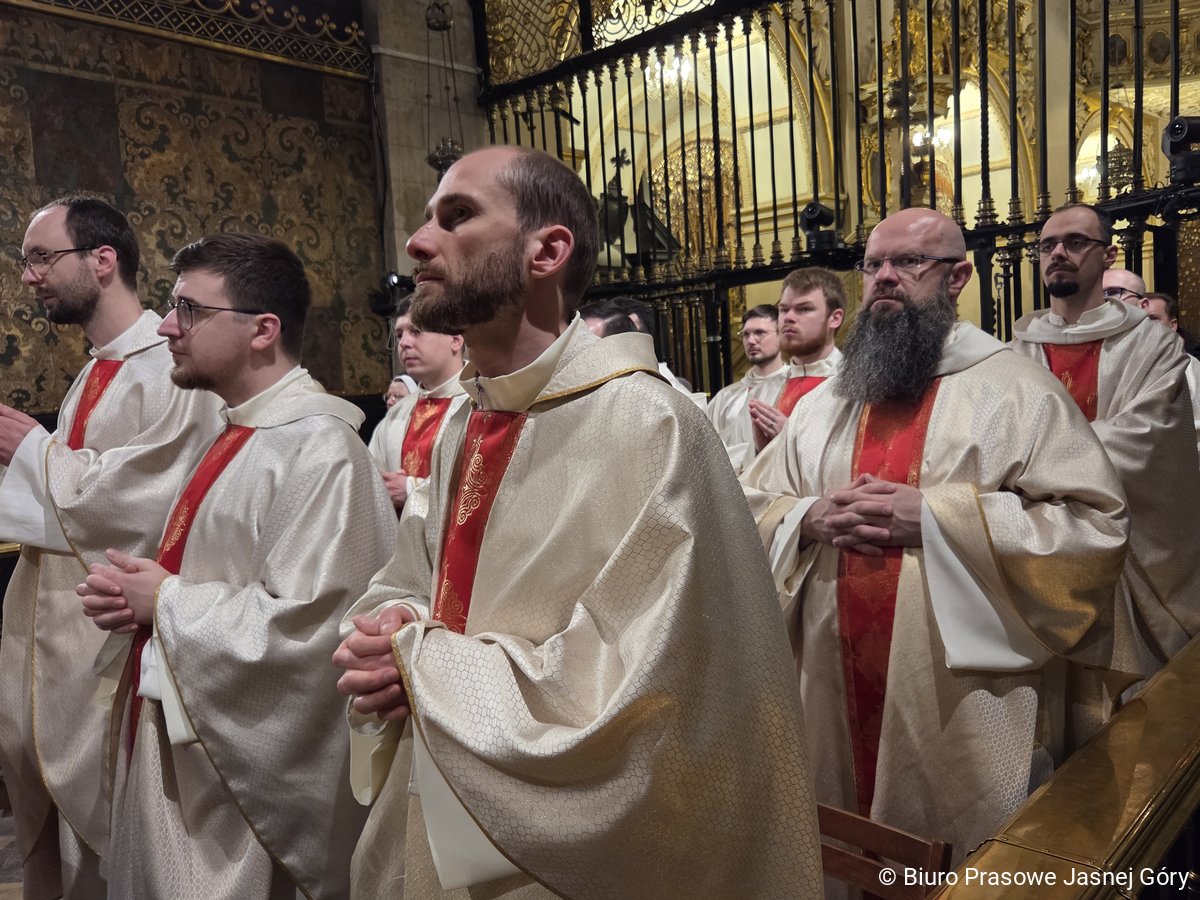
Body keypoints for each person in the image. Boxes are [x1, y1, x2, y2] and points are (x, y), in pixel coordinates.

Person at [334, 145, 821, 899]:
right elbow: (413, 578)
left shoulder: (650, 424)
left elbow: (649, 683)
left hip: (566, 850)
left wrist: (422, 668)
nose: (418, 241)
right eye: (428, 217)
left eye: (457, 216)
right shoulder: (468, 419)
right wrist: (392, 622)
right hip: (440, 784)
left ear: (547, 251)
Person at [741, 206, 1134, 866]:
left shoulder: (1018, 392)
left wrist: (939, 518)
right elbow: (747, 505)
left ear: (958, 278)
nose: (884, 277)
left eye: (909, 262)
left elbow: (1094, 527)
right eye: (873, 264)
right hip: (827, 695)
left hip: (960, 699)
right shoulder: (823, 406)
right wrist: (806, 519)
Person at [76, 232, 397, 899]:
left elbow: (311, 630)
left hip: (241, 800)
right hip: (186, 745)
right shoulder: (238, 431)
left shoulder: (322, 452)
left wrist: (166, 603)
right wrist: (142, 598)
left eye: (190, 310)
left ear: (263, 330)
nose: (166, 327)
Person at [0, 196, 222, 898]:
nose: (28, 276)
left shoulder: (170, 370)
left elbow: (149, 501)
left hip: (109, 634)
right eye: (25, 261)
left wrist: (34, 450)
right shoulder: (96, 370)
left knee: (107, 828)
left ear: (102, 260)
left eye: (42, 258)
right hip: (54, 634)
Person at [1011, 204, 1200, 675]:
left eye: (1075, 242)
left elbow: (1149, 437)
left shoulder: (1152, 344)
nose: (1058, 253)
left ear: (1108, 254)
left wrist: (1037, 460)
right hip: (1039, 544)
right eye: (1047, 245)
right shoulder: (1016, 350)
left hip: (1128, 543)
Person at [368, 297, 468, 511]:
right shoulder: (397, 413)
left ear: (455, 339)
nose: (403, 343)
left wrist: (411, 489)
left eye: (416, 331)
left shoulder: (480, 405)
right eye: (399, 334)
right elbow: (373, 479)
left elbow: (485, 487)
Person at [749, 267, 846, 452]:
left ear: (834, 318)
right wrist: (762, 451)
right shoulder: (763, 390)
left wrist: (791, 440)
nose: (789, 318)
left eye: (804, 309)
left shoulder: (853, 387)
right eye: (784, 309)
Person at [705, 303, 788, 470]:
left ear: (781, 335)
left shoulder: (794, 388)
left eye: (760, 333)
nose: (751, 341)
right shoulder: (726, 396)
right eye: (746, 334)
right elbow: (706, 449)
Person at [1140, 291, 1200, 456]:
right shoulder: (1123, 363)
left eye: (1153, 319)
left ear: (1173, 325)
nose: (1143, 326)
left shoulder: (1188, 367)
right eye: (1139, 320)